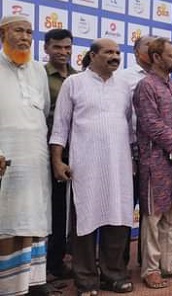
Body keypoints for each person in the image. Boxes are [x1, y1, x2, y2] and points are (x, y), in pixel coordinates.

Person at [50, 38, 134, 295]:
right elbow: (60, 126)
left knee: (117, 219)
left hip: (118, 165)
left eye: (117, 52)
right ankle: (86, 280)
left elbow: (129, 126)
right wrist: (57, 160)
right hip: (85, 165)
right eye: (108, 52)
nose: (115, 56)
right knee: (84, 222)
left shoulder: (124, 86)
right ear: (93, 55)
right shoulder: (74, 83)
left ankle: (113, 275)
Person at [133, 38, 172, 289]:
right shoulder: (145, 86)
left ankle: (170, 265)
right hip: (156, 162)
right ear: (156, 57)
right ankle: (151, 269)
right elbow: (150, 123)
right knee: (153, 217)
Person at [0, 16, 53, 296]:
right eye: (19, 31)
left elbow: (43, 109)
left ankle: (33, 282)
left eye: (30, 32)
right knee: (7, 220)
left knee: (33, 216)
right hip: (5, 158)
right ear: (2, 34)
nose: (25, 37)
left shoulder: (38, 70)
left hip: (35, 157)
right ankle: (8, 286)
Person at [116, 34, 155, 266]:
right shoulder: (123, 77)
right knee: (125, 207)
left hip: (155, 153)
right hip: (129, 151)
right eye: (148, 45)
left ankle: (147, 261)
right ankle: (118, 262)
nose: (153, 49)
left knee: (151, 210)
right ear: (136, 52)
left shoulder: (165, 78)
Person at [43, 28, 77, 282]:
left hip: (77, 149)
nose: (63, 52)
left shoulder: (78, 77)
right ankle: (48, 263)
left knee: (72, 209)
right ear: (46, 48)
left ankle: (65, 259)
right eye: (57, 47)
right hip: (48, 149)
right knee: (52, 207)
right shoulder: (40, 76)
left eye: (67, 47)